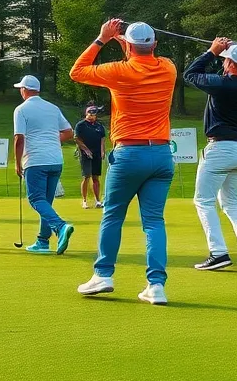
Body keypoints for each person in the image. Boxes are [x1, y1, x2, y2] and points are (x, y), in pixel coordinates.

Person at [71, 20, 176, 305]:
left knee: (113, 216)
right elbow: (143, 56)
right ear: (154, 44)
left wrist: (102, 38)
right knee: (154, 222)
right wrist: (129, 46)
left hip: (129, 152)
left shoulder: (121, 70)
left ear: (128, 46)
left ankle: (103, 275)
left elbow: (77, 72)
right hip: (162, 155)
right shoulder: (168, 67)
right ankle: (156, 285)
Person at [184, 37, 237, 273]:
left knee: (203, 201)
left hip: (220, 149)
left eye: (225, 61)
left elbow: (190, 74)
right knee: (231, 202)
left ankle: (218, 253)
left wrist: (212, 51)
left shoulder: (222, 84)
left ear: (229, 63)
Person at [13, 75, 77, 255]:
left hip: (35, 160)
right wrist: (51, 141)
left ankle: (60, 226)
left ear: (24, 90)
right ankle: (43, 241)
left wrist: (17, 164)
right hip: (55, 160)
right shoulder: (52, 108)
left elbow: (19, 139)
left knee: (36, 199)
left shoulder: (21, 109)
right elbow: (68, 132)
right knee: (46, 201)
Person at [74, 105, 106, 209]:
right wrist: (86, 150)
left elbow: (102, 139)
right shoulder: (81, 125)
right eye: (91, 113)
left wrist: (102, 151)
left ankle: (97, 201)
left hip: (96, 154)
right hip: (85, 154)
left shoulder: (99, 126)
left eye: (94, 114)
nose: (93, 116)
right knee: (86, 176)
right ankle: (84, 201)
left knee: (96, 178)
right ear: (87, 113)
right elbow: (77, 138)